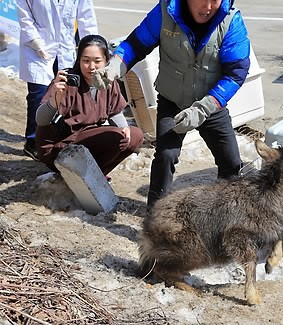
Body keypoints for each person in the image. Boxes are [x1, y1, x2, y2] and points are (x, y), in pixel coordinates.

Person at [93, 0, 251, 208]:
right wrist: (116, 65)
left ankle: (225, 215)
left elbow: (235, 73)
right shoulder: (167, 11)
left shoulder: (230, 20)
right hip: (172, 99)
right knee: (166, 155)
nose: (209, 6)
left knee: (231, 162)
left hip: (210, 102)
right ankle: (155, 217)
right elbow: (136, 44)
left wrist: (204, 108)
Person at [35, 34, 144, 178]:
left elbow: (115, 111)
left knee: (135, 135)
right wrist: (55, 99)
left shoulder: (107, 80)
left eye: (97, 61)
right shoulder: (67, 82)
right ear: (78, 60)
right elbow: (41, 121)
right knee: (116, 138)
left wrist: (124, 128)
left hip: (86, 137)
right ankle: (81, 176)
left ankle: (95, 175)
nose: (91, 67)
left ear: (107, 61)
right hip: (60, 145)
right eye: (85, 61)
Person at [17, 0, 98, 160]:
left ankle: (56, 139)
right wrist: (34, 41)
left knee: (64, 96)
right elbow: (24, 14)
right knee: (38, 95)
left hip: (64, 48)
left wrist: (92, 47)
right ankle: (33, 141)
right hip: (36, 49)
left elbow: (86, 19)